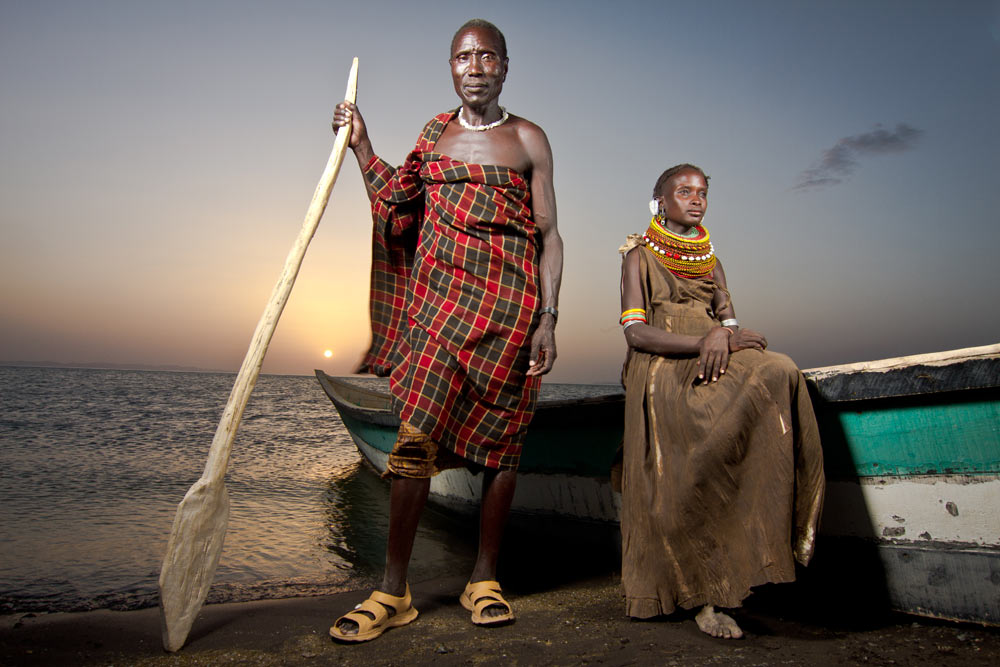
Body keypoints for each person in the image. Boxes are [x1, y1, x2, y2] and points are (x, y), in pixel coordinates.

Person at [327, 19, 562, 642]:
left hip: (511, 313)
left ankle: (484, 577)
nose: (476, 65)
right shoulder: (434, 138)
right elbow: (396, 206)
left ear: (506, 66)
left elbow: (549, 236)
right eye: (464, 57)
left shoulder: (529, 139)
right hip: (436, 312)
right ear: (452, 68)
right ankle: (393, 590)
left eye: (488, 55)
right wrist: (360, 142)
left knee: (503, 445)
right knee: (413, 439)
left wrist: (548, 316)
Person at [617, 164, 824, 639]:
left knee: (781, 369)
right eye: (684, 192)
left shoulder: (710, 258)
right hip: (663, 363)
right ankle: (702, 597)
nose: (695, 200)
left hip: (712, 351)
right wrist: (706, 340)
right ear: (659, 201)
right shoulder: (638, 256)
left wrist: (731, 335)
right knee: (692, 448)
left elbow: (727, 321)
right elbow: (634, 332)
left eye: (703, 193)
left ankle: (767, 553)